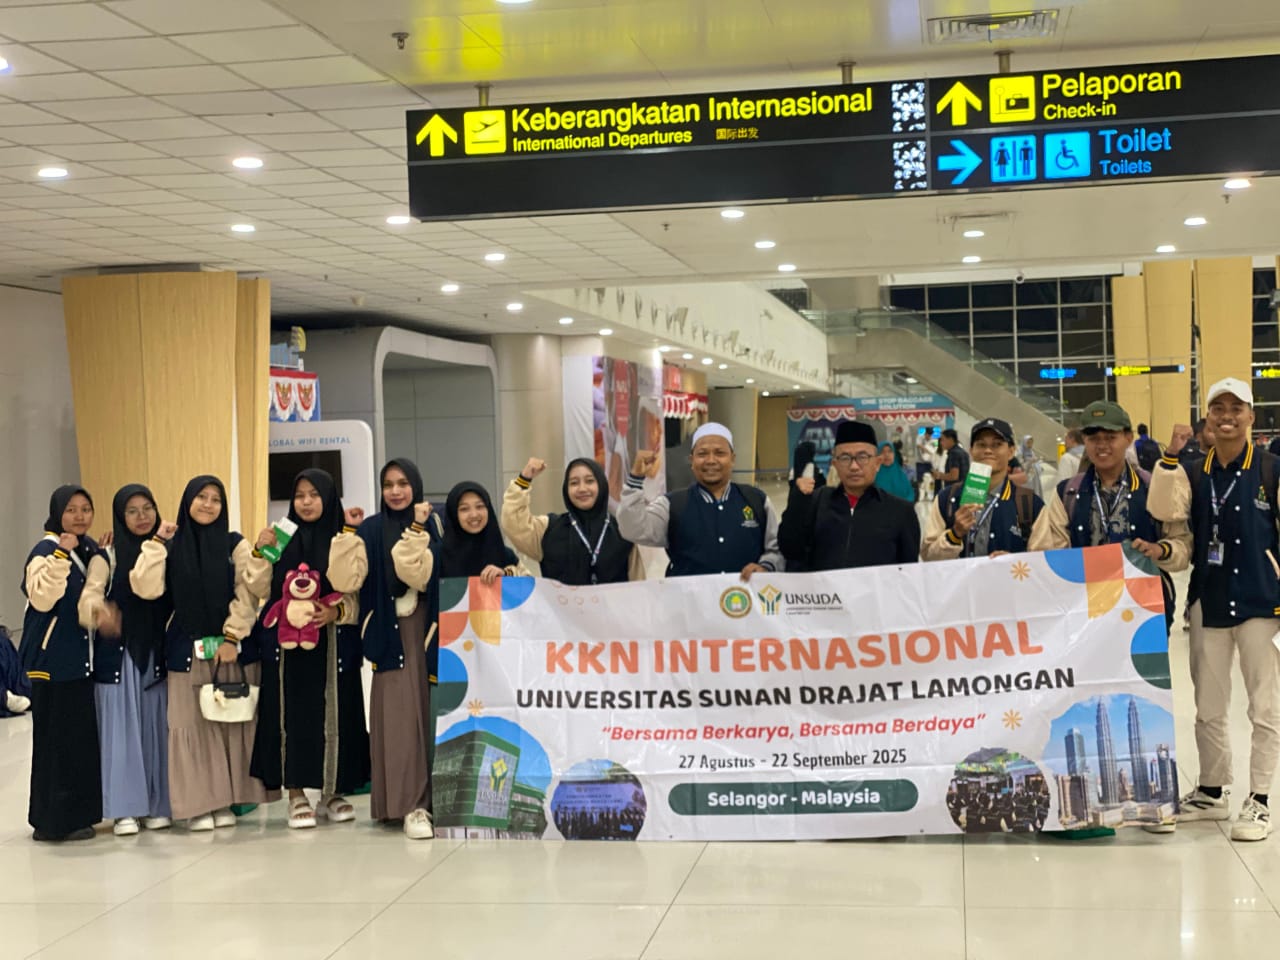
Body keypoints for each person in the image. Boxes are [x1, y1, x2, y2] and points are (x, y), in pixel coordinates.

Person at [1147, 378, 1280, 842]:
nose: (1227, 416)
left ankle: (1259, 799)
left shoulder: (1270, 469)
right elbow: (1168, 518)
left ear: (1251, 417)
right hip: (1209, 600)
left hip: (1264, 602)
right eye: (1218, 408)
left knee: (1264, 706)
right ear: (1207, 417)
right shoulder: (1193, 473)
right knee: (1208, 704)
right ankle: (1211, 790)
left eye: (1236, 408)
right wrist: (1168, 458)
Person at [133, 475, 273, 831]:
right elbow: (146, 588)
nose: (208, 505)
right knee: (189, 725)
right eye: (201, 497)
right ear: (187, 501)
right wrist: (155, 543)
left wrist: (231, 636)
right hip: (186, 648)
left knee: (227, 723)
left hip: (230, 647)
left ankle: (225, 800)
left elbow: (248, 593)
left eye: (215, 499)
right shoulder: (169, 545)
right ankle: (199, 804)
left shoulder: (234, 544)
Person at [247, 470, 371, 830]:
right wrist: (259, 550)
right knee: (292, 716)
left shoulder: (345, 536)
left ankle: (332, 792)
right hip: (287, 648)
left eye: (314, 494)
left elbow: (354, 587)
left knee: (337, 713)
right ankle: (296, 792)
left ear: (328, 498)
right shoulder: (281, 535)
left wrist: (336, 612)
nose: (306, 502)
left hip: (332, 643)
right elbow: (259, 588)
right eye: (300, 495)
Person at [333, 459, 438, 840]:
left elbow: (427, 575)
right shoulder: (371, 529)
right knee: (397, 723)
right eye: (388, 484)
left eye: (403, 483)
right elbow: (344, 580)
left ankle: (429, 803)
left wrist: (419, 528)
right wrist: (347, 533)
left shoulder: (434, 523)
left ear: (416, 486)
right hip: (390, 637)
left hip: (428, 633)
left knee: (429, 718)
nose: (395, 491)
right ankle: (403, 804)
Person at [1028, 401, 1189, 637]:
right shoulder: (1068, 493)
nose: (1102, 445)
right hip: (1085, 614)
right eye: (1093, 438)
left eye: (1110, 437)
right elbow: (1043, 551)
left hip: (1145, 612)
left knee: (1142, 662)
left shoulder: (1153, 487)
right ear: (1084, 441)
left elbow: (1182, 544)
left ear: (1128, 438)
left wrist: (1159, 550)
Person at [80, 485, 174, 837]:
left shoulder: (165, 551)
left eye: (147, 508)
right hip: (119, 658)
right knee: (121, 733)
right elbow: (90, 594)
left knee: (155, 730)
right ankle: (124, 810)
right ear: (121, 516)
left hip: (155, 654)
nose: (141, 516)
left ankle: (157, 804)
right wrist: (99, 612)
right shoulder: (107, 556)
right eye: (131, 511)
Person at [18, 486, 104, 841]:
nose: (79, 516)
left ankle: (77, 816)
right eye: (71, 509)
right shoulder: (45, 550)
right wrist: (60, 554)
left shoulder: (85, 548)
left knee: (76, 742)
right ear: (57, 513)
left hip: (77, 663)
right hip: (52, 663)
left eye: (86, 509)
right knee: (54, 744)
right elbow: (42, 597)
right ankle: (50, 823)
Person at [618, 422, 783, 578]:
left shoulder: (756, 500)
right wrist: (635, 480)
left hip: (742, 596)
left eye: (719, 453)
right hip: (686, 598)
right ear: (692, 460)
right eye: (702, 454)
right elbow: (633, 529)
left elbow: (776, 549)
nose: (711, 460)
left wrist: (767, 566)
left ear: (732, 459)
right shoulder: (672, 504)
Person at [779, 420, 920, 570]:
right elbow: (790, 550)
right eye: (845, 458)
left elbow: (908, 570)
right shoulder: (817, 502)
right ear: (835, 464)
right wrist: (797, 501)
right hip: (825, 586)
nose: (854, 466)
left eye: (862, 457)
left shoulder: (901, 511)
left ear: (877, 463)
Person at [501, 457, 643, 584]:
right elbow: (513, 524)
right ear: (566, 489)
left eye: (590, 481)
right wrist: (524, 479)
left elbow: (638, 585)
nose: (582, 489)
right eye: (574, 483)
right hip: (560, 606)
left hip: (613, 606)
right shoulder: (549, 529)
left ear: (601, 484)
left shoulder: (623, 531)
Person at [922, 419, 1043, 561]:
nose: (988, 450)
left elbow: (1045, 562)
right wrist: (954, 534)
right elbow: (928, 557)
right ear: (971, 451)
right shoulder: (947, 499)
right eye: (981, 444)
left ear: (1011, 452)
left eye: (997, 444)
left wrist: (1014, 562)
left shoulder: (1030, 504)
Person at [441, 481, 525, 582]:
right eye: (464, 509)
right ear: (454, 514)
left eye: (479, 506)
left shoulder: (505, 554)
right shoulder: (437, 557)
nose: (474, 515)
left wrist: (506, 574)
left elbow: (531, 584)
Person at [932, 429, 970, 493]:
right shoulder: (963, 452)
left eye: (943, 440)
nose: (941, 443)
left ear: (950, 439)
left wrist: (939, 475)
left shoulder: (953, 453)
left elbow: (954, 476)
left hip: (954, 490)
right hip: (963, 489)